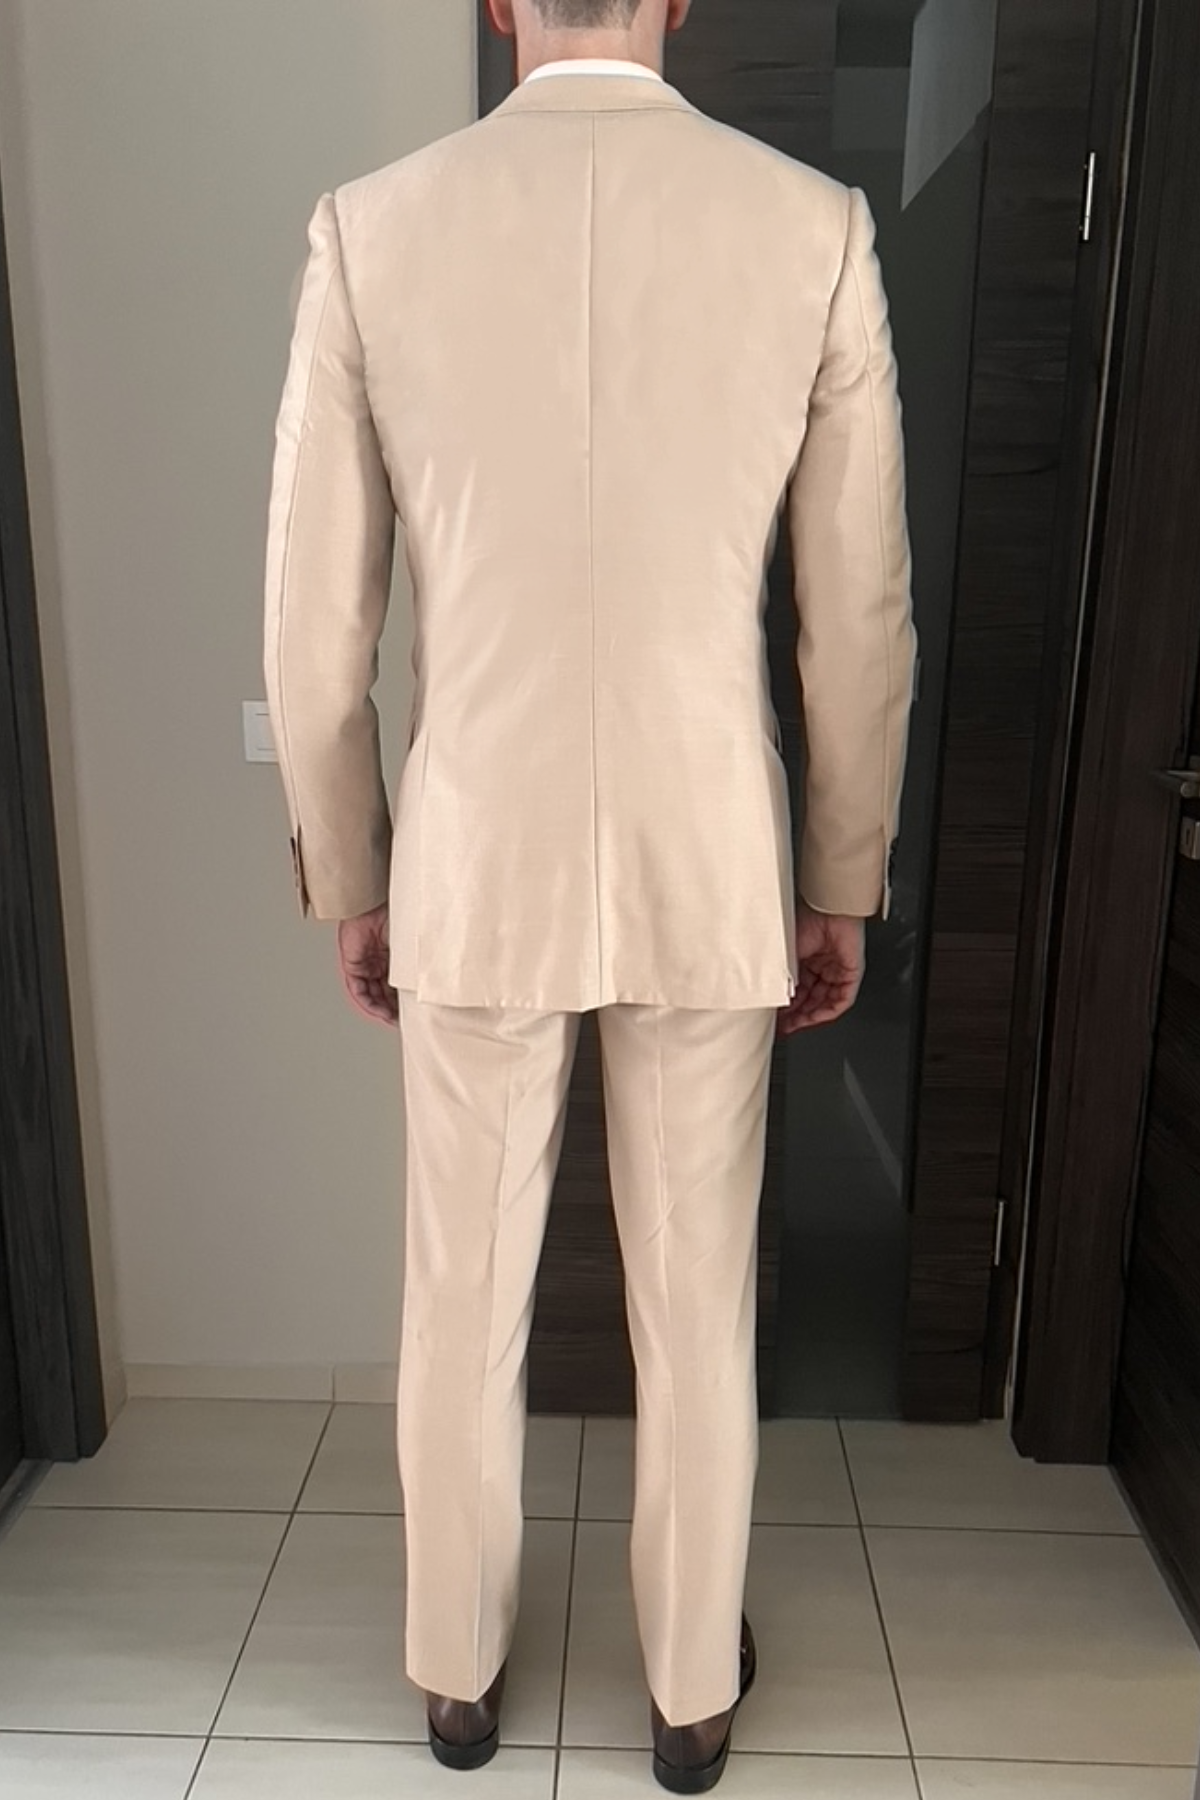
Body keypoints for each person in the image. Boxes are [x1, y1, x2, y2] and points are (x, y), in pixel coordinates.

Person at [262, 0, 916, 1789]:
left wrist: (355, 866)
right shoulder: (810, 227)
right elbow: (856, 611)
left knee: (459, 1290)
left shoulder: (373, 228)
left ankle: (456, 1676)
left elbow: (316, 619)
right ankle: (691, 1694)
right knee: (698, 1299)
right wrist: (839, 873)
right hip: (712, 855)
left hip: (476, 852)